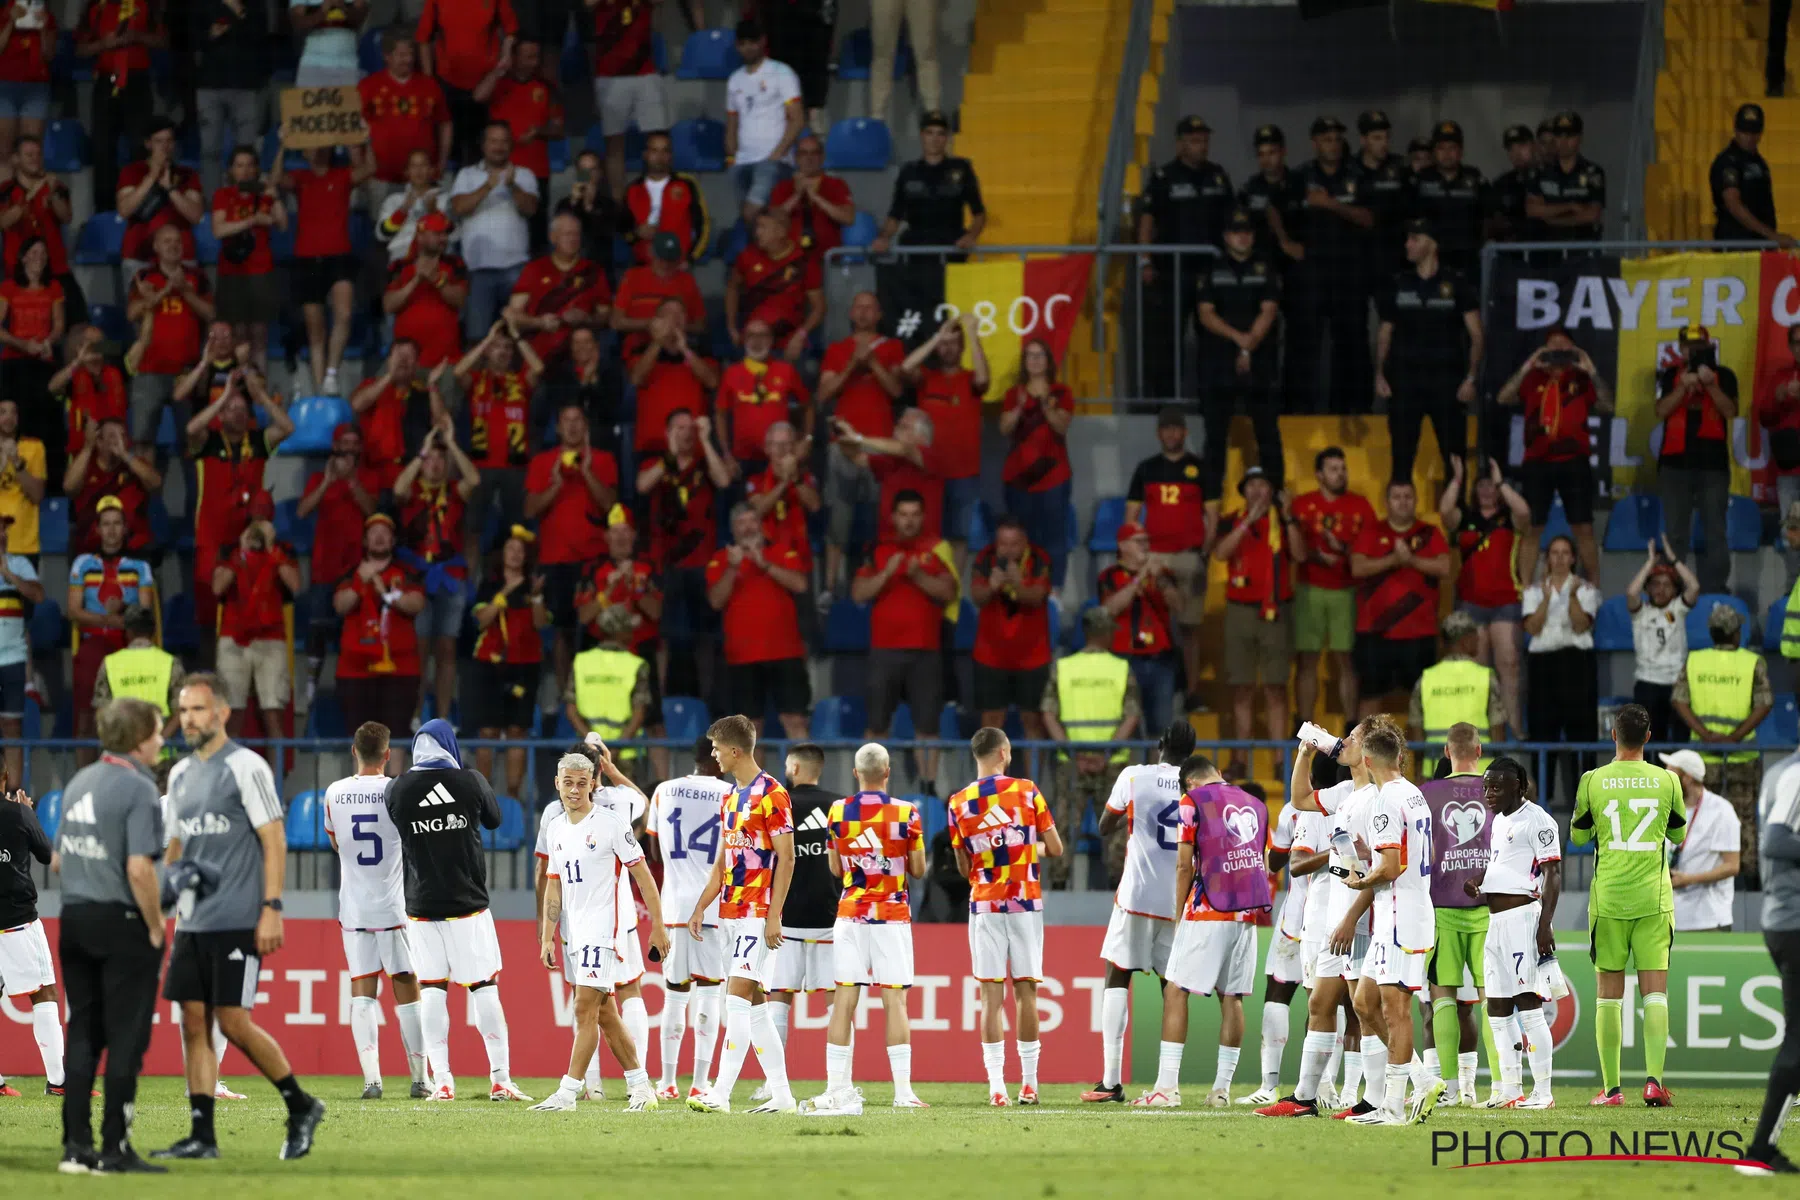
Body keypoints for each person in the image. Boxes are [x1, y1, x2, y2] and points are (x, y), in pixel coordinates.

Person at [153, 675, 324, 1161]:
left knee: (231, 1022)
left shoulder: (247, 767)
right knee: (192, 1022)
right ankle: (202, 1136)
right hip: (192, 919)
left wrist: (272, 907)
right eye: (183, 710)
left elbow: (274, 838)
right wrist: (164, 890)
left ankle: (300, 1103)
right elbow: (177, 845)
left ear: (222, 713)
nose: (188, 719)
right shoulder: (181, 774)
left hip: (237, 916)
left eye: (198, 709)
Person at [50, 698, 167, 1174]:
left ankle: (75, 1147)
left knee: (82, 1034)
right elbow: (139, 868)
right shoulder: (138, 789)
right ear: (139, 739)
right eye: (158, 732)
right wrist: (156, 924)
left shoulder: (80, 780)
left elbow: (57, 860)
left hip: (73, 919)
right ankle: (115, 1149)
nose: (162, 740)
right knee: (125, 1040)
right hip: (121, 923)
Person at [384, 719, 524, 1101]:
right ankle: (499, 1079)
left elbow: (402, 826)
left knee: (431, 990)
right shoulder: (471, 780)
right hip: (468, 905)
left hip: (421, 906)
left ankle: (442, 1080)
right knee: (483, 989)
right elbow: (495, 820)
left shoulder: (396, 788)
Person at [532, 751, 670, 1113]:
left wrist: (657, 925)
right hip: (575, 933)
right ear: (557, 784)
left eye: (582, 783)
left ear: (593, 784)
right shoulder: (556, 828)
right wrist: (548, 934)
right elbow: (554, 885)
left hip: (604, 930)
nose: (574, 790)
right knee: (606, 1014)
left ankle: (567, 1093)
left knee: (583, 1008)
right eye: (568, 783)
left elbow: (643, 875)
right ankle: (641, 1087)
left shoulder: (610, 824)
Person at [1257, 719, 1380, 1118]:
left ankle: (1393, 1091)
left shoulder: (1383, 798)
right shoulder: (1345, 793)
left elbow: (1382, 868)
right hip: (1330, 919)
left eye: (1354, 738)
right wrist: (1305, 754)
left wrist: (1349, 918)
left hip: (1359, 919)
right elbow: (1299, 799)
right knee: (1321, 1004)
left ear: (1370, 751)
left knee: (1367, 1010)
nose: (1342, 742)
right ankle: (1305, 1097)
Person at [1134, 753, 1270, 1108]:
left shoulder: (1191, 800)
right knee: (1233, 997)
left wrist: (1178, 916)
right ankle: (1222, 1091)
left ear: (1189, 782)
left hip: (1208, 910)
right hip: (1247, 915)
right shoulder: (1255, 803)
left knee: (1176, 989)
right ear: (1219, 775)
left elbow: (1183, 864)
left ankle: (1166, 1089)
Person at [800, 743, 929, 1115]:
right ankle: (903, 1092)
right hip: (891, 916)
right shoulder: (907, 813)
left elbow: (837, 869)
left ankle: (836, 1087)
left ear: (856, 774)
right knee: (895, 1001)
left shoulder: (838, 811)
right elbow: (918, 870)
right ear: (888, 772)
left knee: (844, 1002)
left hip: (850, 915)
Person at [1571, 702, 1686, 1107]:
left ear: (1613, 735)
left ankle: (1612, 1089)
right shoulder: (1668, 780)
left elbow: (1580, 839)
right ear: (1649, 738)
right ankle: (1654, 1081)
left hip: (1609, 900)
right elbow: (1678, 833)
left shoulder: (1592, 780)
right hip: (1654, 900)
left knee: (1608, 995)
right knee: (1655, 994)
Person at [684, 714, 799, 1114]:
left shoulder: (773, 794)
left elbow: (787, 858)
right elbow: (722, 861)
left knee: (733, 1001)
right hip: (730, 912)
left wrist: (773, 914)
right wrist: (701, 906)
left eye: (716, 748)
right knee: (756, 1008)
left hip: (756, 912)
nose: (712, 755)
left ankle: (721, 1093)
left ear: (735, 750)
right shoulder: (730, 798)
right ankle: (783, 1097)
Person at [1080, 719, 1196, 1103]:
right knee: (1173, 989)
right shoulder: (1199, 786)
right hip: (1178, 901)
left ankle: (1110, 1082)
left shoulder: (1134, 775)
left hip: (1137, 895)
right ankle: (1168, 1084)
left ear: (1160, 743)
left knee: (1117, 975)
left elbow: (1103, 826)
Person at [947, 727, 1064, 1106]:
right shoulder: (1026, 790)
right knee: (1026, 992)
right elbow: (1056, 847)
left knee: (989, 997)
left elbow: (963, 864)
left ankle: (997, 1086)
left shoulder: (959, 802)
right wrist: (1023, 849)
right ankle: (1029, 1083)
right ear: (1004, 751)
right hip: (1025, 902)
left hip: (985, 903)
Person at [322, 722, 430, 1100]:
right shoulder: (396, 790)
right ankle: (420, 1079)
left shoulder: (334, 792)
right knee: (407, 988)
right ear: (388, 755)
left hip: (354, 909)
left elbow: (336, 842)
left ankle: (372, 1081)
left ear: (354, 751)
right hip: (393, 907)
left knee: (362, 992)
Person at [1463, 755, 1562, 1110]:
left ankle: (1544, 1092)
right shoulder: (1498, 821)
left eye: (1497, 787)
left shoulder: (1538, 821)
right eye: (1486, 786)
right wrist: (1481, 881)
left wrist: (1544, 925)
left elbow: (1553, 874)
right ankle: (1510, 1088)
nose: (1489, 793)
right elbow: (1502, 866)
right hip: (1496, 925)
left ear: (1519, 787)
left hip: (1523, 921)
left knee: (1529, 1007)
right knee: (1498, 1009)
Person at [1413, 723, 1498, 1109]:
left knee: (1442, 995)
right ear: (1479, 751)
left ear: (1446, 752)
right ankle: (1501, 1088)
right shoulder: (1498, 791)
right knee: (1491, 997)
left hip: (1441, 906)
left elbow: (1420, 852)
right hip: (1489, 908)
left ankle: (1446, 1087)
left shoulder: (1426, 794)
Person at [646, 738, 733, 1101]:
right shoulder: (731, 794)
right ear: (717, 755)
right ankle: (699, 1083)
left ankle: (667, 1082)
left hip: (675, 906)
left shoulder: (665, 790)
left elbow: (652, 850)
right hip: (713, 906)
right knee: (710, 995)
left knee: (675, 995)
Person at [853, 490, 957, 788]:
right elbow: (859, 592)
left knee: (928, 727)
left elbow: (949, 592)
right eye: (903, 514)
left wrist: (918, 576)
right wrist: (887, 573)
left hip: (925, 651)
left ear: (922, 517)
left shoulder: (935, 549)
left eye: (914, 515)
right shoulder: (877, 549)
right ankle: (870, 790)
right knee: (876, 727)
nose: (909, 521)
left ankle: (927, 787)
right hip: (884, 651)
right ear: (893, 517)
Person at [756, 743, 841, 1098]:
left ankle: (772, 1085)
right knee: (838, 1000)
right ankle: (840, 1084)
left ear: (793, 768)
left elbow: (768, 858)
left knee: (778, 998)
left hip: (785, 917)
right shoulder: (839, 805)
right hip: (832, 917)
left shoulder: (780, 804)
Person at [1494, 327, 1610, 582]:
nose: (1557, 353)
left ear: (1573, 351)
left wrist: (1591, 371)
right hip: (1537, 462)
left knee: (1583, 528)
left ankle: (1593, 587)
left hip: (1574, 461)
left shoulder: (1580, 378)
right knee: (1532, 528)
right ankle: (1525, 590)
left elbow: (1607, 404)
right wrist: (1528, 365)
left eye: (1563, 348)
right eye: (1551, 348)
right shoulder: (1533, 377)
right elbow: (1503, 398)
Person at [1212, 467, 1305, 779]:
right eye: (1251, 484)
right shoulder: (1232, 519)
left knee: (1277, 688)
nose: (1256, 490)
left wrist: (1288, 516)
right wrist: (1247, 523)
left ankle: (1281, 760)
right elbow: (1221, 554)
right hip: (1240, 609)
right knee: (1242, 688)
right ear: (1244, 490)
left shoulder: (1283, 520)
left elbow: (1301, 555)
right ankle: (1239, 757)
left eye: (1263, 483)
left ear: (1272, 490)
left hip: (1276, 610)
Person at [1136, 114, 1235, 400]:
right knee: (1168, 341)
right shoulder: (1164, 177)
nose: (1201, 146)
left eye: (1204, 141)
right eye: (1194, 141)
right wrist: (1145, 260)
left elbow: (1232, 221)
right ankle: (1166, 403)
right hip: (1172, 274)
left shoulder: (1218, 175)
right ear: (1180, 145)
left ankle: (1212, 399)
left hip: (1210, 273)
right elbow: (1147, 220)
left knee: (1214, 340)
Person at [1376, 218, 1481, 486]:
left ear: (1432, 244)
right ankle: (1399, 523)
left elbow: (1477, 336)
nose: (1407, 245)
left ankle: (1457, 523)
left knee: (1454, 460)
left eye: (1414, 239)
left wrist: (1471, 377)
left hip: (1447, 382)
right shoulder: (1398, 282)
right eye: (1407, 239)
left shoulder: (1456, 283)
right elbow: (1385, 332)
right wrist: (1379, 373)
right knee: (1401, 457)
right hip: (1404, 380)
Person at [1041, 605, 1139, 889]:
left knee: (1062, 827)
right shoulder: (1121, 669)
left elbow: (1048, 714)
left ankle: (1058, 887)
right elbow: (1131, 716)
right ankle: (1117, 892)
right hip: (1113, 764)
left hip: (1071, 763)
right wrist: (1105, 754)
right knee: (1117, 829)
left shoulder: (1063, 667)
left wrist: (1075, 753)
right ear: (1107, 634)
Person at [184, 375, 293, 632]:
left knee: (247, 605)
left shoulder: (258, 441)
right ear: (220, 416)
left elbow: (287, 427)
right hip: (211, 539)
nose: (238, 414)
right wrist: (224, 395)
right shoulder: (208, 441)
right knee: (208, 611)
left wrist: (261, 397)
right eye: (231, 409)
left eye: (243, 409)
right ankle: (208, 668)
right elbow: (190, 429)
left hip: (247, 539)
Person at [1672, 602, 1771, 874]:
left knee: (1702, 818)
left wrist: (1706, 735)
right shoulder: (1752, 662)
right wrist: (1735, 737)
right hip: (1742, 758)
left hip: (1702, 761)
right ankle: (1746, 878)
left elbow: (1679, 700)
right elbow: (1765, 702)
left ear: (1712, 633)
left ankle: (1703, 872)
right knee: (1745, 821)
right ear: (1737, 633)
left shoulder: (1695, 660)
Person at [638, 409, 730, 701]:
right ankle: (661, 698)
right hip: (665, 564)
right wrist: (670, 454)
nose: (685, 434)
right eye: (678, 428)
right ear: (667, 433)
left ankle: (708, 701)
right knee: (663, 635)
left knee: (705, 637)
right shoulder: (658, 463)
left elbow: (724, 480)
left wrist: (707, 439)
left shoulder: (704, 463)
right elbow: (642, 485)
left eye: (690, 429)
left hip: (703, 563)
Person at [1283, 116, 1372, 415]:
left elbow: (1368, 218)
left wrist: (1331, 204)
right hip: (1311, 273)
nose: (1332, 144)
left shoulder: (1357, 175)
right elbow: (1273, 206)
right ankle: (1301, 409)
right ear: (1314, 143)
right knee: (1304, 341)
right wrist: (1285, 241)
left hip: (1349, 271)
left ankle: (1347, 409)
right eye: (1325, 139)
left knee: (1350, 342)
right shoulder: (1299, 177)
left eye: (1336, 138)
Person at [394, 419, 481, 724]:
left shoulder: (455, 491)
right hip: (417, 577)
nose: (434, 464)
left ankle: (443, 717)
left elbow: (474, 479)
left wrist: (452, 443)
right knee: (418, 648)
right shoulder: (413, 492)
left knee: (446, 648)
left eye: (440, 459)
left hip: (450, 578)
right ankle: (416, 713)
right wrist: (422, 453)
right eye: (430, 459)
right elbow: (397, 488)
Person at [527, 403, 618, 688]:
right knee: (561, 632)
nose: (572, 426)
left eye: (578, 420)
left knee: (595, 629)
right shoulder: (542, 462)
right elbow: (530, 510)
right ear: (557, 428)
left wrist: (587, 472)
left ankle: (595, 690)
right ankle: (568, 695)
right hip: (555, 559)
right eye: (566, 420)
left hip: (594, 559)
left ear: (586, 425)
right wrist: (555, 484)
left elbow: (609, 506)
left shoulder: (603, 460)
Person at [274, 143, 375, 396]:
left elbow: (371, 167)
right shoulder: (300, 178)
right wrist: (283, 146)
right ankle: (320, 389)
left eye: (323, 147)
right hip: (307, 258)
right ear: (304, 152)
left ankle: (331, 374)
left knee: (344, 314)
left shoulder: (342, 175)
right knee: (315, 331)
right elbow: (275, 178)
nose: (318, 151)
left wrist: (364, 139)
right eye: (313, 147)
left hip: (339, 255)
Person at [1438, 457, 1530, 733]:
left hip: (1506, 602)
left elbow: (1524, 511)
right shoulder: (1464, 518)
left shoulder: (1510, 520)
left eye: (1492, 486)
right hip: (1471, 603)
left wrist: (1501, 482)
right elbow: (1445, 511)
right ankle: (1479, 728)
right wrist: (1457, 477)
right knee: (1476, 671)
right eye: (1482, 486)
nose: (1487, 490)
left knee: (1509, 666)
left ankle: (1513, 730)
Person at [1195, 209, 1282, 490]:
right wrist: (1239, 340)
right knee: (1215, 436)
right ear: (1225, 237)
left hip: (1260, 361)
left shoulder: (1266, 269)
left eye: (1246, 232)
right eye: (1236, 231)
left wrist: (1248, 346)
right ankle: (1212, 503)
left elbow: (1269, 310)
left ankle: (1277, 496)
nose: (1242, 237)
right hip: (1218, 363)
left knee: (1267, 432)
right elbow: (1206, 314)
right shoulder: (1210, 270)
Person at [1124, 409, 1209, 693]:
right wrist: (1139, 555)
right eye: (1166, 428)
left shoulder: (1200, 468)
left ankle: (1192, 691)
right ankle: (1159, 687)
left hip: (1188, 555)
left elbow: (1212, 514)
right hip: (1154, 557)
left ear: (1184, 432)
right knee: (1155, 623)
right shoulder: (1146, 469)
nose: (1171, 434)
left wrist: (1203, 552)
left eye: (1176, 428)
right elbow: (1131, 516)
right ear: (1159, 433)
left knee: (1190, 630)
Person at [1349, 479, 1449, 718]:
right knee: (1370, 697)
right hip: (1374, 632)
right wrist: (1394, 560)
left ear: (1415, 501)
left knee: (1423, 701)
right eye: (1397, 497)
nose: (1403, 502)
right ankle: (1365, 755)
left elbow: (1444, 567)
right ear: (1386, 502)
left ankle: (1426, 756)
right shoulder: (1372, 532)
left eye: (1408, 497)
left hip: (1419, 632)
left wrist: (1411, 561)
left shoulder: (1430, 532)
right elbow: (1357, 567)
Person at [1288, 448, 1374, 726]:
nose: (1340, 473)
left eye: (1343, 468)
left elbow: (1371, 549)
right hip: (1309, 589)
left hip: (1347, 590)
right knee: (1307, 660)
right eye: (1334, 468)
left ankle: (1351, 723)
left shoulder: (1360, 506)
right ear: (1319, 474)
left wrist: (1344, 549)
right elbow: (1294, 549)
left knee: (1346, 660)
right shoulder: (1301, 505)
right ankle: (1303, 722)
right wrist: (1316, 555)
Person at [706, 504, 809, 734]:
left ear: (762, 525)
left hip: (786, 652)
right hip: (742, 657)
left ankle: (805, 772)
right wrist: (733, 568)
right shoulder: (722, 559)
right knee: (749, 730)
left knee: (795, 721)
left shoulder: (782, 552)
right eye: (741, 523)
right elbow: (715, 601)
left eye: (752, 521)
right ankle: (755, 773)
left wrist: (764, 564)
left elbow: (800, 585)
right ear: (733, 529)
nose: (748, 528)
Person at [1656, 324, 1738, 593]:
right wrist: (1682, 388)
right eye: (1688, 346)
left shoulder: (1724, 375)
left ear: (1708, 347)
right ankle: (1671, 588)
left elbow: (1730, 411)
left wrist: (1710, 385)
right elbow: (1661, 411)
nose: (1693, 351)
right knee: (1676, 532)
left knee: (1715, 530)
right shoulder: (1670, 374)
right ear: (1681, 349)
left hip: (1712, 467)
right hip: (1674, 466)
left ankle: (1715, 588)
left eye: (1699, 347)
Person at [68, 503, 156, 748]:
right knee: (85, 718)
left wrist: (124, 609)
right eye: (106, 524)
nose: (111, 530)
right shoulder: (82, 564)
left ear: (125, 528)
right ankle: (84, 780)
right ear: (97, 529)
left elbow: (145, 615)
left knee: (128, 716)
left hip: (127, 645)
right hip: (92, 643)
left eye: (117, 523)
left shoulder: (140, 567)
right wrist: (109, 620)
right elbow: (74, 611)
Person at [1521, 534, 1601, 804]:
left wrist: (1573, 596)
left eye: (1565, 552)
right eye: (1554, 552)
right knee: (1542, 731)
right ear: (1547, 558)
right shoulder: (1533, 591)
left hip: (1577, 664)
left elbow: (1581, 625)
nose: (1559, 558)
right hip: (1543, 666)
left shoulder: (1587, 590)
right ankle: (1541, 802)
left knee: (1583, 733)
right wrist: (1546, 599)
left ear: (1573, 558)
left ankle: (1587, 805)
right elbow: (1532, 628)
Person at [211, 500, 299, 742]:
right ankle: (230, 778)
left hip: (271, 639)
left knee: (273, 715)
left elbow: (295, 585)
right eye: (253, 522)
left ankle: (274, 780)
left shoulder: (283, 550)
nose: (257, 528)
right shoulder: (230, 550)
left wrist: (271, 551)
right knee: (232, 715)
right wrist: (242, 552)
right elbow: (218, 587)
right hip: (233, 637)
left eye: (263, 522)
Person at [469, 528, 548, 796]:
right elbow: (482, 620)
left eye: (520, 550)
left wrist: (536, 596)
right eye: (510, 549)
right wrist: (505, 592)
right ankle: (483, 796)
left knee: (518, 731)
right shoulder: (489, 584)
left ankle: (512, 797)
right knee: (487, 731)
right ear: (501, 554)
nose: (515, 553)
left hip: (525, 665)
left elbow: (540, 623)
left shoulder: (534, 585)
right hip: (489, 665)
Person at [334, 514, 427, 738]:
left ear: (393, 541)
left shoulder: (407, 574)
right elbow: (340, 606)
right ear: (365, 541)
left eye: (385, 533)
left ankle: (393, 776)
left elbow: (415, 604)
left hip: (399, 669)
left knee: (395, 740)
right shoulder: (351, 573)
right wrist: (360, 583)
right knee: (361, 743)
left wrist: (384, 591)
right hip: (356, 670)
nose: (379, 537)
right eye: (373, 533)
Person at [905, 313, 987, 566]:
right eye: (944, 342)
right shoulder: (926, 378)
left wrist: (972, 334)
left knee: (959, 537)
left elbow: (984, 379)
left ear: (961, 347)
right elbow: (906, 367)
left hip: (964, 473)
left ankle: (954, 593)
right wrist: (937, 337)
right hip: (929, 472)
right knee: (929, 535)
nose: (947, 347)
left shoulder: (969, 379)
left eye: (953, 342)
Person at [125, 225, 214, 447]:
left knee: (192, 444)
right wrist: (161, 293)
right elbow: (132, 313)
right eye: (167, 241)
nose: (173, 246)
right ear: (156, 246)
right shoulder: (144, 277)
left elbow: (211, 314)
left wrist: (185, 291)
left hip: (186, 372)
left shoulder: (197, 276)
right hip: (148, 371)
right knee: (143, 443)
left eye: (177, 241)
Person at [450, 123, 540, 340]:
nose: (498, 147)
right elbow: (459, 208)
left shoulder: (524, 174)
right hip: (478, 268)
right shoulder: (467, 174)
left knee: (519, 336)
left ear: (511, 146)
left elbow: (531, 209)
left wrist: (512, 186)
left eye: (503, 141)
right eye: (493, 141)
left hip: (516, 267)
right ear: (483, 145)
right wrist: (488, 186)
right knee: (478, 336)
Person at [999, 338, 1076, 586]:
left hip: (1054, 478)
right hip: (1018, 480)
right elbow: (1004, 429)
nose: (1034, 360)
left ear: (1048, 361)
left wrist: (1045, 406)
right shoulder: (1014, 394)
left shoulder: (1062, 392)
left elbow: (1061, 427)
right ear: (1024, 362)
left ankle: (1053, 594)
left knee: (1054, 539)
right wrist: (1018, 409)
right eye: (1030, 356)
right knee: (1019, 539)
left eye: (1040, 355)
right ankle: (1021, 588)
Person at [454, 317, 540, 535]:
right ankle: (473, 571)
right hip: (480, 466)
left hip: (516, 467)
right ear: (487, 351)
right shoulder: (475, 379)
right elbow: (457, 372)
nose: (502, 352)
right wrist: (487, 339)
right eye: (497, 347)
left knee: (517, 531)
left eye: (507, 347)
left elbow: (538, 368)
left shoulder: (520, 380)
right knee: (472, 530)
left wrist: (517, 336)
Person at [473, 39, 562, 250]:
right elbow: (478, 97)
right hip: (499, 171)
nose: (533, 61)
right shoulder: (498, 84)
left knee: (537, 235)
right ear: (513, 57)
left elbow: (559, 129)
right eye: (527, 56)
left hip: (537, 171)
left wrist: (540, 131)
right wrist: (498, 70)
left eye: (536, 56)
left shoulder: (546, 87)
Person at [76, 0, 164, 209]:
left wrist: (138, 36)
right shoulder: (95, 6)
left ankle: (142, 207)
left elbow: (163, 40)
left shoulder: (146, 5)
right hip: (106, 82)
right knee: (102, 149)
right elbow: (80, 50)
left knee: (140, 147)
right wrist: (103, 45)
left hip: (137, 82)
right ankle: (106, 212)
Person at [1099, 520, 1184, 733]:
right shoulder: (1110, 576)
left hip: (1160, 659)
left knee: (1162, 730)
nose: (1145, 546)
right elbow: (1110, 609)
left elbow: (1179, 605)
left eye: (1146, 541)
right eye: (1138, 541)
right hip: (1125, 659)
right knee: (1128, 727)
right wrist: (1141, 577)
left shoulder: (1162, 574)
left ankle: (1160, 767)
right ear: (1123, 545)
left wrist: (1161, 580)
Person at [970, 517, 1052, 737]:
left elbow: (1038, 597)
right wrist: (991, 587)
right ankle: (989, 773)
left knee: (1032, 721)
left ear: (1025, 542)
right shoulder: (985, 559)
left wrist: (1017, 584)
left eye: (1014, 544)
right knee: (991, 724)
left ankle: (1032, 772)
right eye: (1003, 544)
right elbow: (976, 596)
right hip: (991, 655)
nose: (1007, 550)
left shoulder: (1039, 560)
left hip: (1032, 656)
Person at [869, 109, 985, 255]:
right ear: (922, 135)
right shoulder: (908, 171)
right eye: (929, 132)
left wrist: (971, 236)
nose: (934, 139)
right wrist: (883, 238)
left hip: (953, 247)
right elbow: (895, 214)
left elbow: (979, 213)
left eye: (940, 133)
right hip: (915, 250)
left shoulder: (962, 168)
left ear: (947, 137)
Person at [506, 211, 609, 374]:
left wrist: (586, 319)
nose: (573, 239)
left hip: (581, 356)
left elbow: (606, 315)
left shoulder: (593, 271)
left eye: (576, 234)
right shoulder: (535, 269)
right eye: (567, 234)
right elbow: (512, 315)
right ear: (553, 237)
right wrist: (539, 322)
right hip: (539, 354)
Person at [211, 148, 285, 369]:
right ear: (231, 170)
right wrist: (252, 220)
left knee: (259, 333)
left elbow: (282, 224)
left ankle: (259, 384)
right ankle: (241, 384)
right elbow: (219, 230)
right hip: (233, 271)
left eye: (249, 165)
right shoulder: (223, 195)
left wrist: (275, 196)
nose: (244, 170)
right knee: (239, 333)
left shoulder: (263, 194)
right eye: (239, 165)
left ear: (256, 169)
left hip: (260, 270)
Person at [589, 0, 670, 201]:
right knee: (614, 145)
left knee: (658, 140)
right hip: (609, 74)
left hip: (645, 72)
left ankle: (658, 200)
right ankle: (620, 209)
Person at [416, 0, 514, 164]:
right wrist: (428, 82)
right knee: (446, 147)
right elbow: (423, 38)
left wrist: (504, 58)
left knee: (481, 151)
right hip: (447, 83)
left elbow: (511, 31)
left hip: (484, 84)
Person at [724, 20, 803, 223]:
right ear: (737, 46)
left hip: (771, 161)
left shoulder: (781, 72)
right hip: (742, 161)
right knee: (751, 221)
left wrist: (776, 155)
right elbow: (732, 123)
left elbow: (797, 119)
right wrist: (731, 158)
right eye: (743, 43)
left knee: (752, 213)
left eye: (752, 42)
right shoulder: (734, 80)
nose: (748, 47)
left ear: (762, 42)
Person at [1656, 748, 1741, 933]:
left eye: (1671, 773)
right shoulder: (1665, 808)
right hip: (1669, 919)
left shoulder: (1722, 811)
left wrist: (1690, 880)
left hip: (1708, 920)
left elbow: (1732, 866)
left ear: (1687, 778)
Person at [1409, 612, 1504, 772]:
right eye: (1475, 636)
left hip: (1436, 774)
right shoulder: (1486, 677)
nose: (1478, 641)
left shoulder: (1426, 679)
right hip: (1479, 774)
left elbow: (1416, 730)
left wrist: (1420, 773)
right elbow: (1498, 731)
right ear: (1465, 640)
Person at [1626, 541, 1701, 741]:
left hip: (1676, 683)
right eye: (1656, 584)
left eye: (1667, 584)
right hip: (1647, 682)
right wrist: (1650, 563)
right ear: (1648, 588)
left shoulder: (1678, 609)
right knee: (1649, 742)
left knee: (1679, 741)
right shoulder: (1641, 613)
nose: (1661, 589)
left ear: (1675, 589)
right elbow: (1632, 593)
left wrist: (1674, 560)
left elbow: (1694, 586)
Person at [727, 207, 824, 358]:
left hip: (789, 345)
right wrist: (732, 327)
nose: (757, 232)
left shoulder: (804, 262)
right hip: (752, 343)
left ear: (781, 232)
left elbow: (819, 308)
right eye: (757, 227)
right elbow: (732, 288)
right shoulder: (746, 257)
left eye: (763, 227)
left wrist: (801, 335)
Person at [628, 299, 719, 459]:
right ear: (657, 320)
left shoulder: (702, 350)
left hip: (693, 445)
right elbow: (636, 378)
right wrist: (658, 342)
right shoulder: (641, 349)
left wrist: (684, 349)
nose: (675, 317)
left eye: (680, 313)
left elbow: (712, 381)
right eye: (668, 313)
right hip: (653, 446)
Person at [565, 606, 653, 771]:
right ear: (620, 633)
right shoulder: (636, 665)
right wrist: (614, 750)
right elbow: (639, 713)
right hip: (625, 756)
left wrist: (594, 746)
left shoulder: (581, 661)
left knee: (587, 797)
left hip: (587, 755)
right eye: (629, 629)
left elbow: (571, 711)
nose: (632, 633)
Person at [115, 118, 204, 280]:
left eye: (169, 141)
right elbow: (124, 210)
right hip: (138, 256)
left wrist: (170, 188)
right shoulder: (131, 172)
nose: (165, 147)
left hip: (181, 257)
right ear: (148, 144)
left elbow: (196, 216)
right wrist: (151, 177)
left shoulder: (188, 174)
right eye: (159, 141)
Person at [360, 31, 451, 185]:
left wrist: (442, 162)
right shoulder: (368, 86)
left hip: (423, 177)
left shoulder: (429, 85)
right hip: (380, 177)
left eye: (410, 54)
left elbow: (445, 123)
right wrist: (361, 168)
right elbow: (354, 128)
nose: (408, 60)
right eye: (401, 55)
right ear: (387, 56)